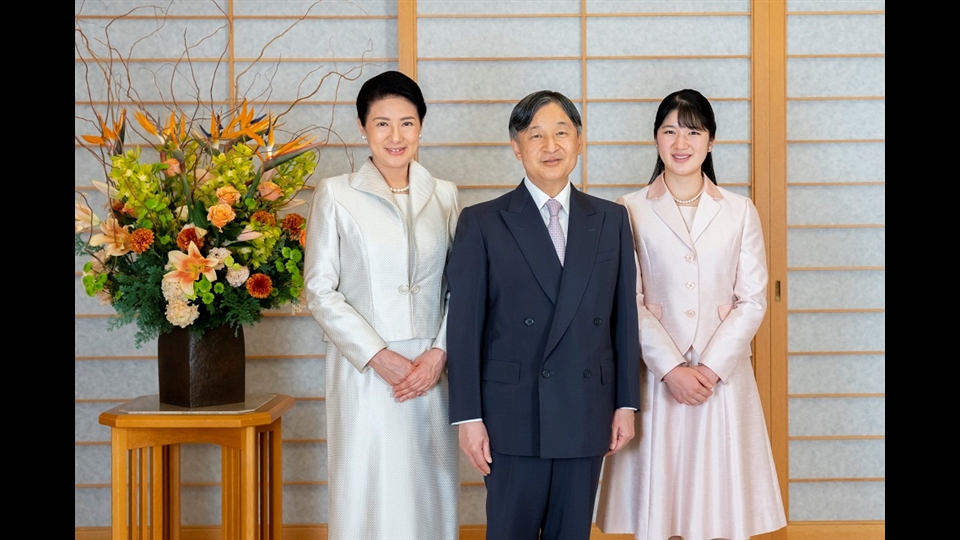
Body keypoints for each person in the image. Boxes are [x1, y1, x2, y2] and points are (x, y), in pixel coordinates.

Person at [446, 90, 640, 540]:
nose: (551, 146)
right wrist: (468, 417)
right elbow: (464, 327)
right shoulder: (483, 221)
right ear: (517, 147)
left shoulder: (611, 219)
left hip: (585, 408)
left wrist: (626, 404)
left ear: (579, 142)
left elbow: (624, 321)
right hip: (510, 415)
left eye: (561, 133)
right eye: (536, 135)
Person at [596, 89, 787, 540]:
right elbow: (625, 298)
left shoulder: (739, 210)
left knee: (718, 507)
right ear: (656, 139)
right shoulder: (629, 208)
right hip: (657, 377)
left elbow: (753, 299)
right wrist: (672, 369)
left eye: (693, 132)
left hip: (722, 378)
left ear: (711, 141)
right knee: (661, 504)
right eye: (670, 131)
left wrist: (710, 369)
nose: (681, 143)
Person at [303, 70, 460, 540]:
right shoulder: (336, 193)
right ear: (362, 127)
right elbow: (319, 289)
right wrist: (377, 355)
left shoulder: (445, 195)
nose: (396, 136)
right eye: (382, 124)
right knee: (367, 486)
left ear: (421, 126)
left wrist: (440, 352)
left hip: (430, 368)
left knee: (427, 486)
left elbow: (462, 287)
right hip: (364, 370)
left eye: (407, 123)